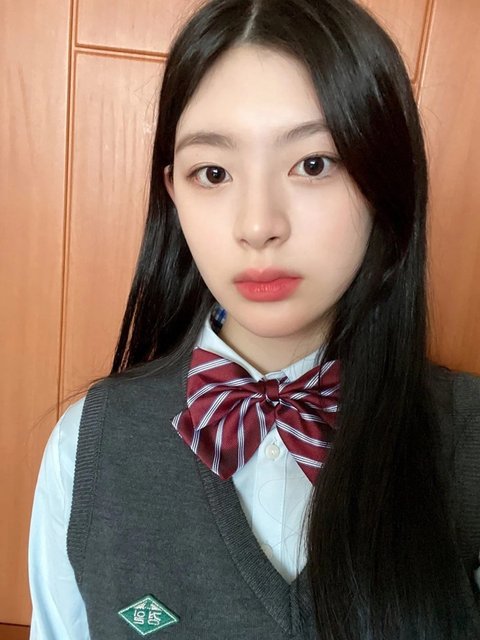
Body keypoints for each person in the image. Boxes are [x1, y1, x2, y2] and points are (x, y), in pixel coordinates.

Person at [28, 0, 480, 638]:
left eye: (314, 164)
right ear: (174, 194)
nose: (258, 225)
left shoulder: (468, 442)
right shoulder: (87, 446)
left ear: (386, 182)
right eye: (213, 172)